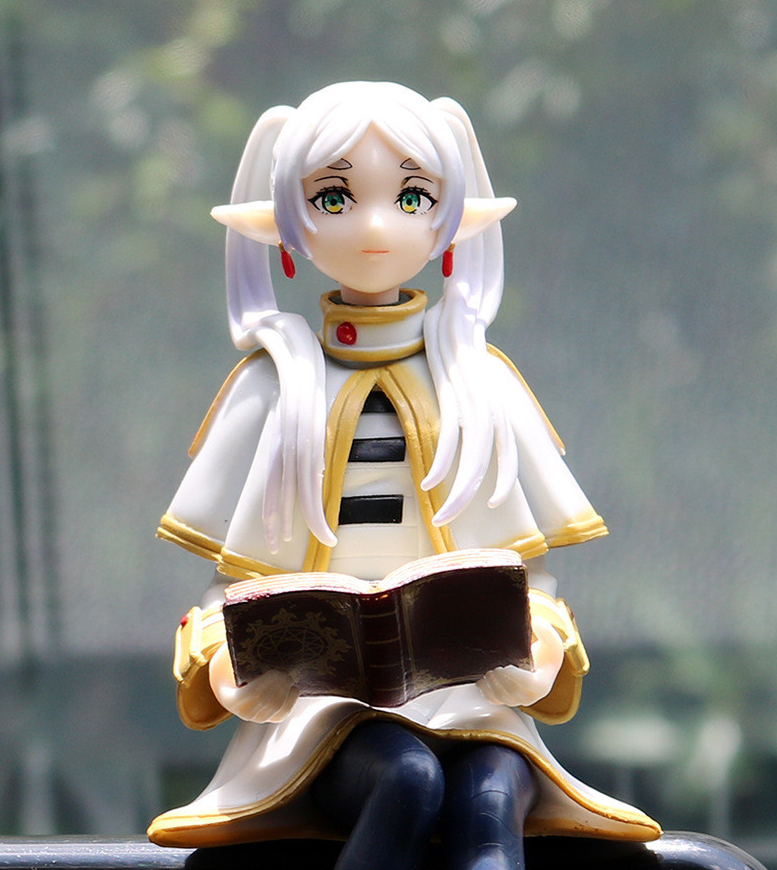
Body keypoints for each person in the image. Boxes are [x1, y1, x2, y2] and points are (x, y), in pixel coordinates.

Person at [147, 82, 660, 868]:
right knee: (407, 780)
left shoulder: (479, 384)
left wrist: (541, 650)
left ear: (447, 221)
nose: (376, 226)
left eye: (412, 197)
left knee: (490, 794)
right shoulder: (271, 390)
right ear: (288, 228)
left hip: (475, 702)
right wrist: (230, 668)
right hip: (319, 713)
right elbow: (226, 593)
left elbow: (532, 579)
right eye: (334, 198)